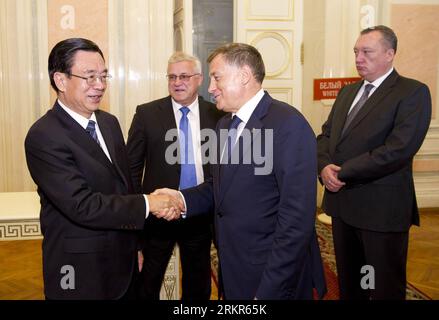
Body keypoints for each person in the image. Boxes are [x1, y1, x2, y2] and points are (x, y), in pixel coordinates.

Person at [155, 43, 327, 300]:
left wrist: (270, 290)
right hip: (234, 267)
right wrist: (181, 198)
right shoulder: (225, 124)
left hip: (270, 275)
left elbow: (296, 220)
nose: (210, 87)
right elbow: (219, 187)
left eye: (216, 77)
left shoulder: (288, 124)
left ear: (244, 75)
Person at [24, 38, 180, 300]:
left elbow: (126, 184)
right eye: (89, 76)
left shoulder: (109, 123)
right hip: (79, 270)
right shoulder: (44, 136)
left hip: (125, 263)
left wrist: (137, 246)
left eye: (104, 76)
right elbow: (82, 205)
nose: (100, 85)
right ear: (61, 80)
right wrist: (149, 203)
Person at [316, 25, 432, 300]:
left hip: (381, 210)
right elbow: (326, 135)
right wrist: (322, 167)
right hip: (343, 206)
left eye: (367, 52)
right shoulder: (347, 92)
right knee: (351, 283)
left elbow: (398, 149)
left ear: (390, 54)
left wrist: (343, 172)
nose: (358, 58)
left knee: (381, 287)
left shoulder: (412, 92)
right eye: (356, 52)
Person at [126, 52, 223, 300]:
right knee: (148, 280)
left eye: (184, 76)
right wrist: (138, 213)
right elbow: (132, 170)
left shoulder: (218, 115)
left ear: (199, 79)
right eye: (172, 77)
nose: (177, 82)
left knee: (198, 282)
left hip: (199, 213)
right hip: (159, 215)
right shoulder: (147, 114)